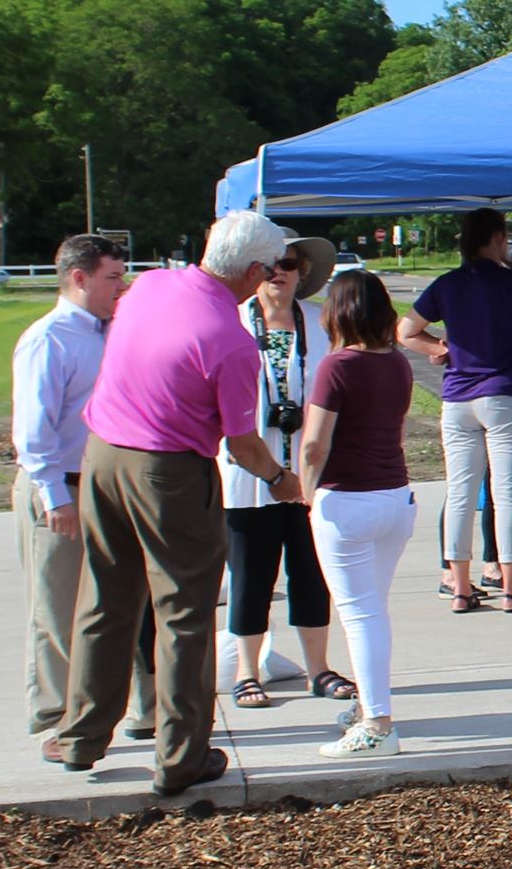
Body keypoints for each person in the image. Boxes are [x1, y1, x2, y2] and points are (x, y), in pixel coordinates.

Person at [53, 211, 305, 793]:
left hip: (103, 455)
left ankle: (81, 737)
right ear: (249, 270)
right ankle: (181, 755)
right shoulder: (231, 342)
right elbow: (242, 446)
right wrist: (280, 479)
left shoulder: (151, 287)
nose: (270, 278)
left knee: (105, 598)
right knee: (185, 613)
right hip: (168, 471)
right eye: (268, 269)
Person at [15, 234, 150, 752]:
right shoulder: (49, 339)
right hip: (62, 487)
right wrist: (56, 499)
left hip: (105, 484)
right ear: (79, 277)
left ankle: (129, 706)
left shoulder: (111, 331)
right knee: (56, 607)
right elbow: (34, 434)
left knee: (115, 602)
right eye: (113, 277)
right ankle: (56, 717)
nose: (123, 287)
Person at [400, 208, 512, 613]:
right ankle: (511, 588)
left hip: (458, 398)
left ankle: (460, 587)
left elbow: (406, 331)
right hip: (507, 394)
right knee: (506, 496)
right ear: (498, 238)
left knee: (460, 494)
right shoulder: (510, 282)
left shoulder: (447, 284)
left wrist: (441, 348)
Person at [218, 233, 350, 710]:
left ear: (302, 273)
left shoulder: (320, 327)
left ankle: (319, 668)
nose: (280, 273)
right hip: (248, 474)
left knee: (311, 573)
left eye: (289, 264)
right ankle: (247, 672)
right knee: (252, 576)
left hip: (309, 474)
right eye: (271, 264)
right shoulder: (230, 323)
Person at [297, 271, 418, 758]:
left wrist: (305, 496)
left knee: (359, 615)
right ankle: (370, 705)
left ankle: (377, 724)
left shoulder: (336, 366)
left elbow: (313, 445)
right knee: (372, 612)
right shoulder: (398, 363)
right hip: (395, 496)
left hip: (346, 500)